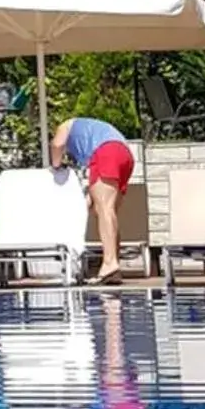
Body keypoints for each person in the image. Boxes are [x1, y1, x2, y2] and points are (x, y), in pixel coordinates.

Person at [51, 114, 135, 283]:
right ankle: (114, 265)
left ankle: (110, 264)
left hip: (105, 152)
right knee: (105, 210)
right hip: (125, 155)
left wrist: (56, 165)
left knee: (104, 208)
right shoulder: (90, 131)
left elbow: (57, 144)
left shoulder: (65, 125)